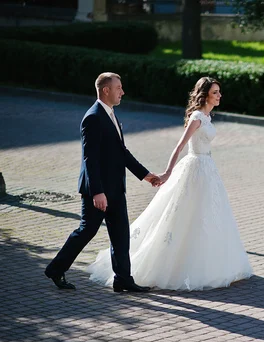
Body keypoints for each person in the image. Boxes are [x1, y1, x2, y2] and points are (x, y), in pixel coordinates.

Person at [88, 77, 253, 291]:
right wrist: (167, 172)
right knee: (184, 215)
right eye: (215, 92)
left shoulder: (207, 116)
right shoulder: (197, 117)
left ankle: (209, 262)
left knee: (207, 215)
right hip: (195, 169)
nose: (219, 96)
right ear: (204, 95)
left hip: (208, 169)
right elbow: (179, 146)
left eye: (219, 92)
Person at [45, 72, 162, 292]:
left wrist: (146, 175)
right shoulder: (93, 117)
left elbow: (121, 153)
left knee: (120, 234)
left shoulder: (111, 115)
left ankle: (123, 279)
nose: (122, 92)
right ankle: (55, 269)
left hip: (116, 188)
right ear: (106, 90)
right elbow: (90, 159)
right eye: (119, 88)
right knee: (86, 231)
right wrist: (97, 192)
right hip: (98, 191)